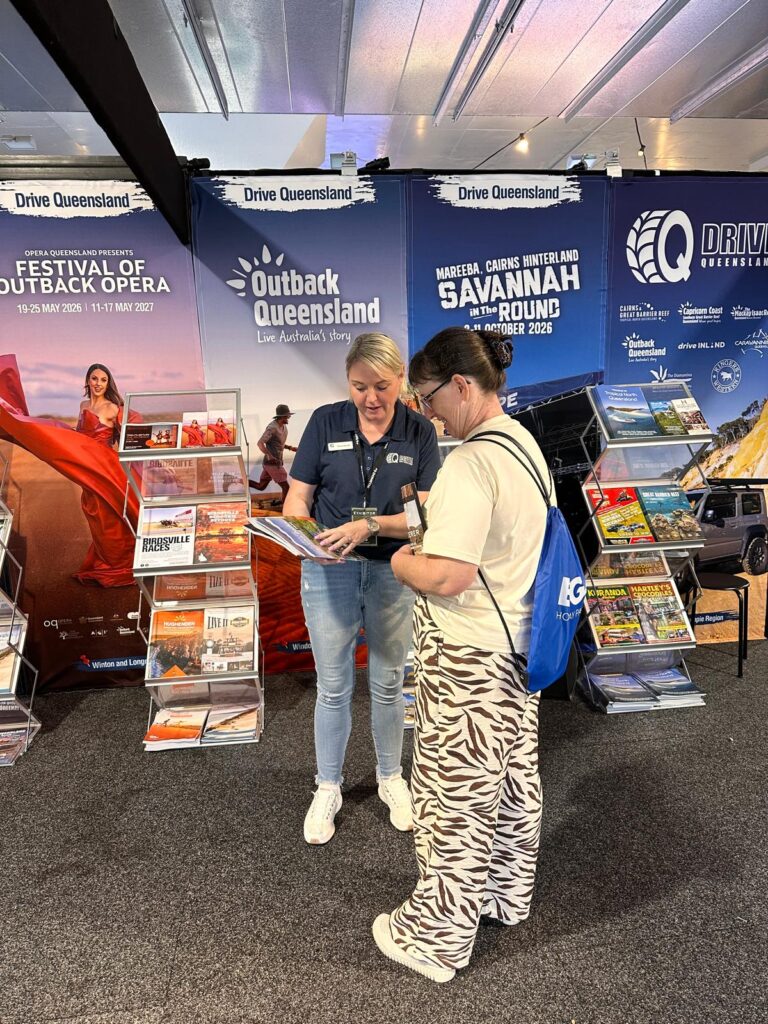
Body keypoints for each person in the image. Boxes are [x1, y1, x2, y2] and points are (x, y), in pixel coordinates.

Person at [371, 327, 550, 983]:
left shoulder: (473, 462)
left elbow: (448, 575)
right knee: (509, 780)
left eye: (428, 398)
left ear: (462, 386)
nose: (427, 412)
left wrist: (400, 561)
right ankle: (504, 896)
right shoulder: (521, 444)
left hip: (469, 656)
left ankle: (436, 941)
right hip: (517, 647)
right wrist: (429, 516)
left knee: (453, 796)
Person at [283, 333, 440, 846]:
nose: (370, 398)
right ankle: (327, 785)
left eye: (382, 386)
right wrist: (304, 538)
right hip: (330, 569)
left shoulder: (418, 431)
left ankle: (392, 778)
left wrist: (368, 526)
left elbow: (423, 518)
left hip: (394, 568)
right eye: (359, 386)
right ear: (346, 381)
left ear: (401, 382)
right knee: (333, 686)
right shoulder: (325, 421)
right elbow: (297, 499)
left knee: (390, 680)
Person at [0, 355, 138, 587]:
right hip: (85, 464)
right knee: (94, 512)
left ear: (108, 383)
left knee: (108, 516)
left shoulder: (113, 408)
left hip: (103, 466)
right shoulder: (84, 406)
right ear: (88, 381)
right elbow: (81, 433)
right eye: (94, 378)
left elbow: (132, 434)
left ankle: (120, 565)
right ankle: (106, 561)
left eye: (103, 379)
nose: (98, 383)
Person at [250, 403, 297, 502]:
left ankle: (234, 479)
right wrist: (269, 455)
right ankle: (286, 510)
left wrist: (290, 448)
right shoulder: (272, 428)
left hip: (272, 463)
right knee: (286, 487)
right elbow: (260, 443)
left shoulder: (283, 427)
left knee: (261, 486)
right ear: (281, 416)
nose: (288, 418)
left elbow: (277, 444)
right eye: (287, 416)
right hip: (272, 464)